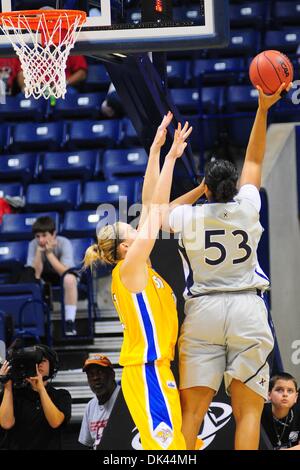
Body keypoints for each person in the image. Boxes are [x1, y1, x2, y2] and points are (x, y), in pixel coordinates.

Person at [167, 83, 291, 450]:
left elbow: (162, 210)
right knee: (249, 413)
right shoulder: (248, 205)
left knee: (192, 414)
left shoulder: (187, 218)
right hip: (246, 309)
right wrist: (263, 108)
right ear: (235, 187)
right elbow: (253, 161)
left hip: (203, 310)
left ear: (207, 188)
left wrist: (199, 191)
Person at [83, 113, 204, 450]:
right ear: (125, 246)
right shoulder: (129, 268)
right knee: (167, 451)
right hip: (147, 368)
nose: (138, 228)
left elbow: (153, 203)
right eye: (131, 230)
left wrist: (155, 153)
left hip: (156, 368)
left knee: (174, 446)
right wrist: (170, 159)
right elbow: (154, 213)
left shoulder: (140, 266)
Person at [0, 343, 72, 450]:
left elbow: (55, 422)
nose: (38, 364)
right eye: (34, 361)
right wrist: (7, 385)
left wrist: (41, 389)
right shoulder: (13, 395)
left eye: (43, 360)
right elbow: (6, 424)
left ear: (52, 365)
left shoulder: (61, 395)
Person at [27, 216, 78, 336]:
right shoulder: (33, 245)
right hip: (44, 277)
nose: (40, 240)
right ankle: (41, 323)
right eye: (37, 236)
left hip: (62, 275)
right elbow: (35, 274)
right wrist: (39, 252)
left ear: (53, 234)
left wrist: (49, 253)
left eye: (44, 235)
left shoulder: (64, 242)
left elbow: (65, 272)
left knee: (69, 279)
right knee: (34, 283)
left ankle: (69, 322)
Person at [78, 354, 120, 450]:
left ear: (112, 374)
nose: (95, 378)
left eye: (100, 372)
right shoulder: (90, 407)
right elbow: (87, 444)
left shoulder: (125, 398)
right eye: (91, 375)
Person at [261, 372, 300, 450]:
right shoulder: (259, 413)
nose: (285, 394)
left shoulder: (298, 413)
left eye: (290, 391)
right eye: (279, 390)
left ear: (296, 397)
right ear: (269, 395)